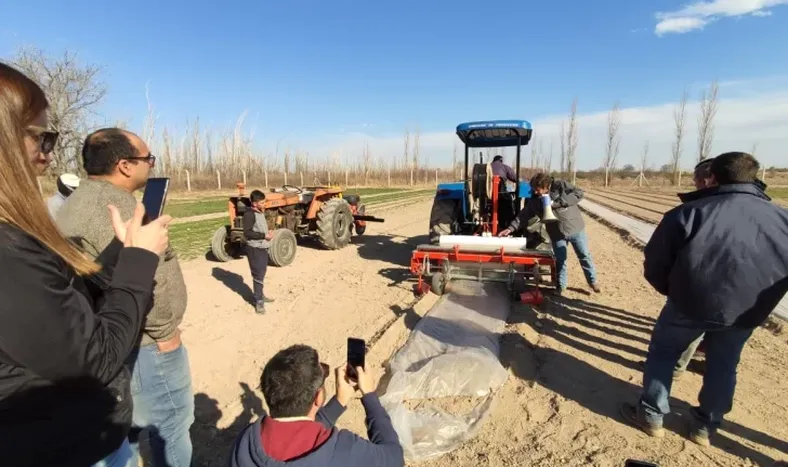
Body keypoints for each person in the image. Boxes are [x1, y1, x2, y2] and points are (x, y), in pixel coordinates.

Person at [0, 62, 171, 466]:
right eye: (42, 137)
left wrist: (120, 254)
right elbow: (95, 359)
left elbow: (59, 310)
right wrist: (141, 261)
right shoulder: (7, 253)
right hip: (59, 443)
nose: (48, 154)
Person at [620, 151, 788, 447]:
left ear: (712, 177)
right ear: (755, 178)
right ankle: (705, 427)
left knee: (663, 354)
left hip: (688, 305)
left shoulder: (687, 213)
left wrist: (675, 293)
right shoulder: (783, 220)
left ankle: (651, 416)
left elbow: (656, 263)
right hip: (745, 313)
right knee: (723, 365)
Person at [56, 128, 193, 466]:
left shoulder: (77, 201)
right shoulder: (115, 207)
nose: (152, 165)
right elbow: (148, 278)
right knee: (170, 428)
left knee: (125, 437)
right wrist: (165, 335)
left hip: (118, 341)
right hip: (146, 348)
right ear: (125, 165)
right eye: (149, 159)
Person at [229, 344, 404, 467]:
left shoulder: (245, 442)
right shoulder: (344, 450)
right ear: (319, 397)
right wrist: (370, 395)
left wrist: (339, 401)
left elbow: (297, 432)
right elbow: (394, 457)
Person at [499, 172, 600, 295]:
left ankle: (592, 281)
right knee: (560, 260)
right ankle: (561, 287)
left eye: (537, 189)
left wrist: (558, 203)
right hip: (556, 232)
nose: (535, 192)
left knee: (584, 254)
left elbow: (579, 193)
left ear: (546, 186)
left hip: (574, 228)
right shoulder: (534, 200)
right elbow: (524, 215)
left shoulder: (560, 185)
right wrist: (510, 228)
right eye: (534, 189)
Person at [244, 189, 275, 314]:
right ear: (255, 203)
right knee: (258, 273)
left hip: (262, 246)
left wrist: (267, 234)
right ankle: (259, 302)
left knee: (262, 271)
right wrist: (264, 236)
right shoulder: (249, 214)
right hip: (254, 248)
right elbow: (247, 233)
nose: (264, 204)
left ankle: (260, 295)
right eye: (262, 202)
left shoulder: (259, 212)